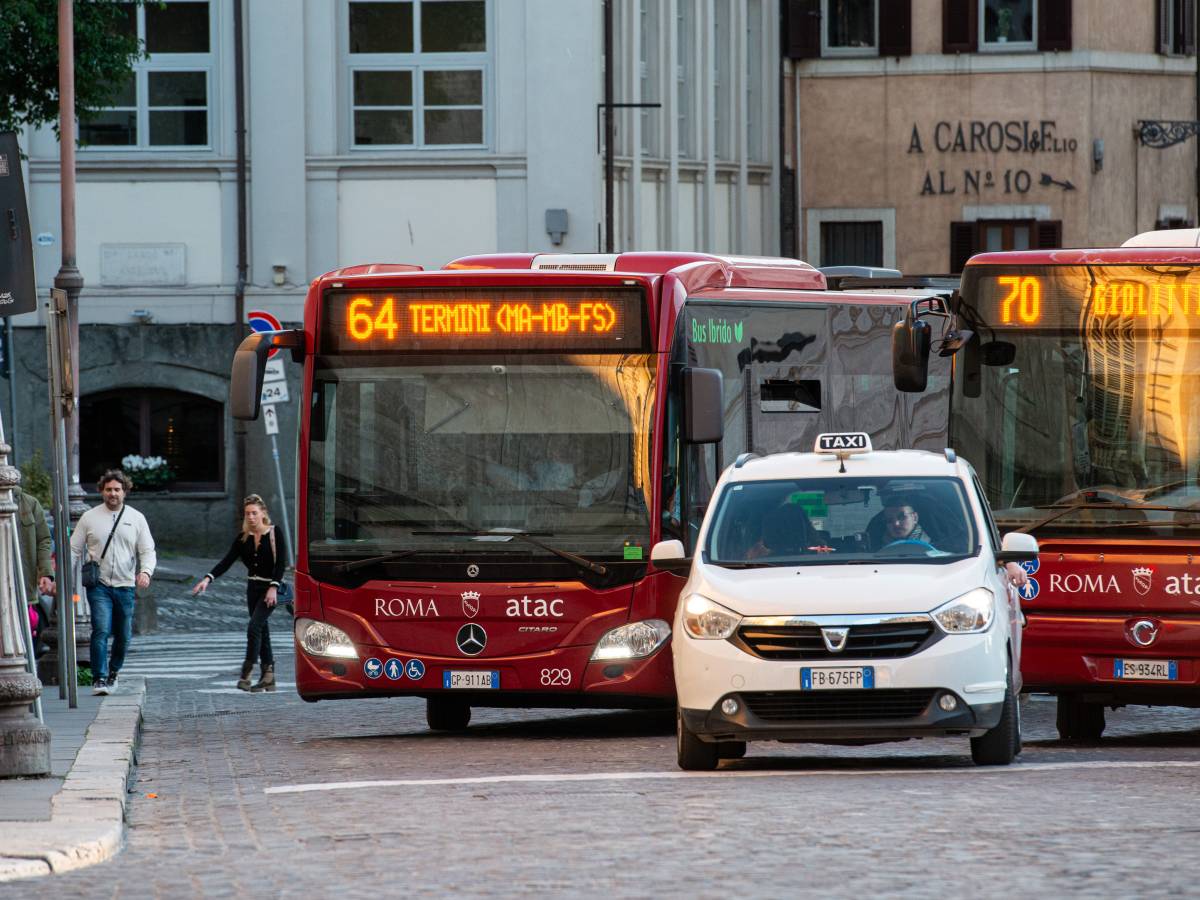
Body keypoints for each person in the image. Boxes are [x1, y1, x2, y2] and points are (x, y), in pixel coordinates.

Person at [71, 470, 156, 696]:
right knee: (101, 628)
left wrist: (145, 572)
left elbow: (147, 550)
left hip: (126, 586)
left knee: (124, 635)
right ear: (101, 491)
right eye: (108, 489)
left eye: (117, 489)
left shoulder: (136, 518)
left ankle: (113, 672)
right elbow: (73, 549)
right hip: (99, 585)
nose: (113, 494)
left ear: (124, 491)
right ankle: (99, 678)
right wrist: (59, 577)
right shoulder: (89, 517)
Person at [191, 494, 285, 692]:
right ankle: (269, 677)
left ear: (263, 514)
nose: (251, 517)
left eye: (254, 513)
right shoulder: (243, 538)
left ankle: (247, 672)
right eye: (247, 514)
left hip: (270, 590)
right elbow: (226, 562)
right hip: (253, 589)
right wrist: (207, 579)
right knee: (262, 631)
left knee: (254, 627)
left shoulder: (275, 533)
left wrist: (274, 587)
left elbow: (281, 564)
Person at [15, 485, 55, 654]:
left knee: (24, 629)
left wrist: (46, 573)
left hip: (23, 582)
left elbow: (44, 540)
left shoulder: (28, 503)